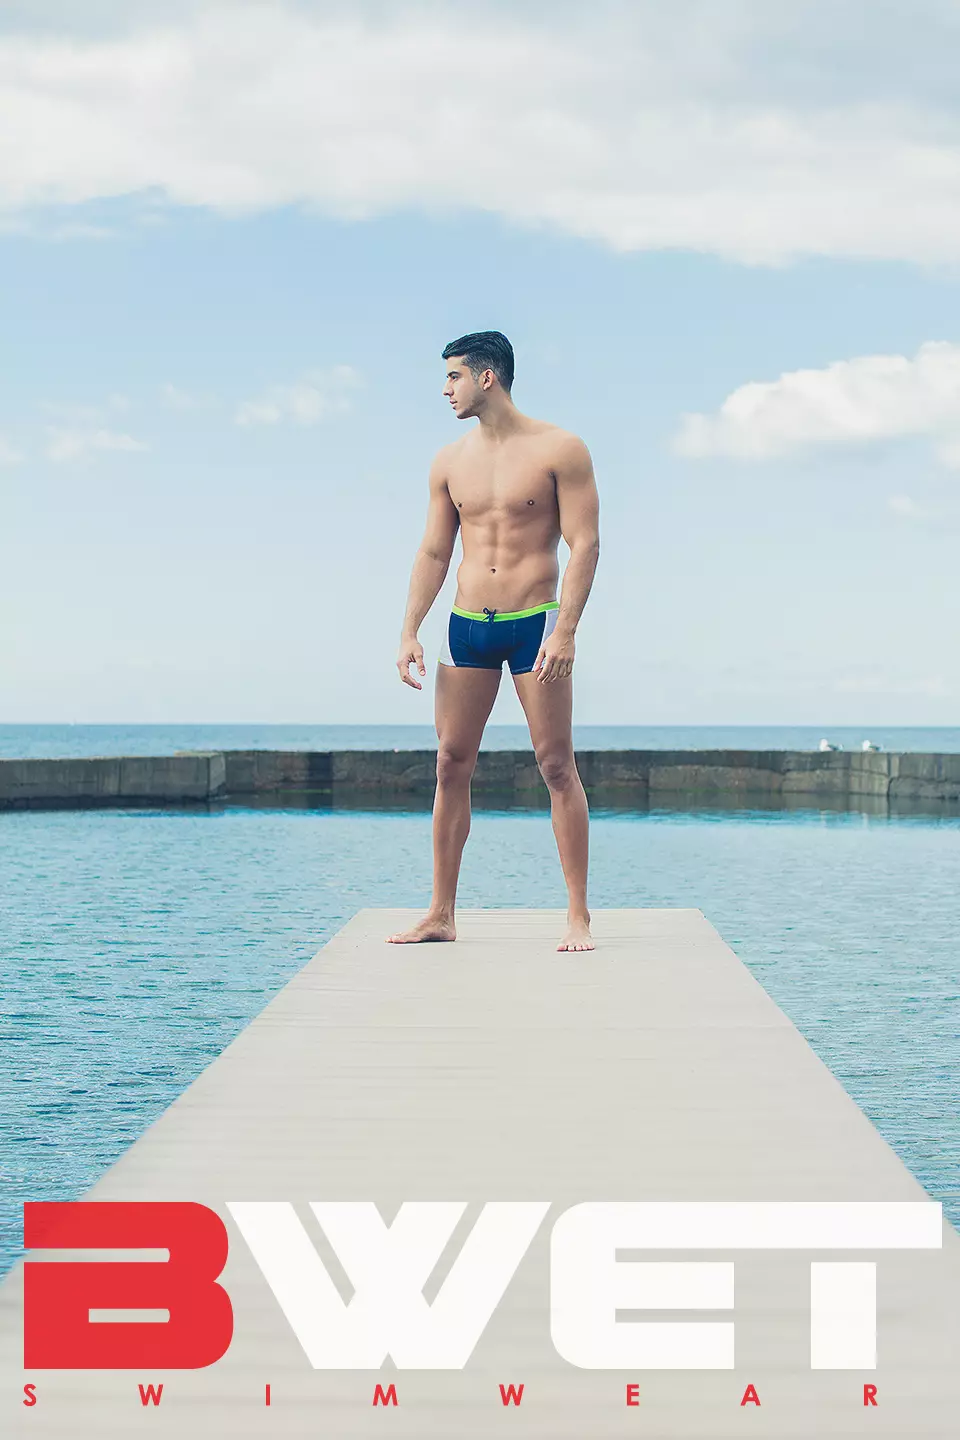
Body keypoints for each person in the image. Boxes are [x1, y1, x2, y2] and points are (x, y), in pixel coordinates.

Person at [387, 331, 600, 952]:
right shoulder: (449, 461)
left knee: (556, 765)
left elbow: (584, 543)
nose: (445, 389)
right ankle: (441, 913)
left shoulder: (561, 448)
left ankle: (578, 915)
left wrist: (566, 630)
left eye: (453, 376)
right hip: (467, 624)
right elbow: (434, 549)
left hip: (536, 623)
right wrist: (408, 630)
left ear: (488, 377)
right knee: (451, 764)